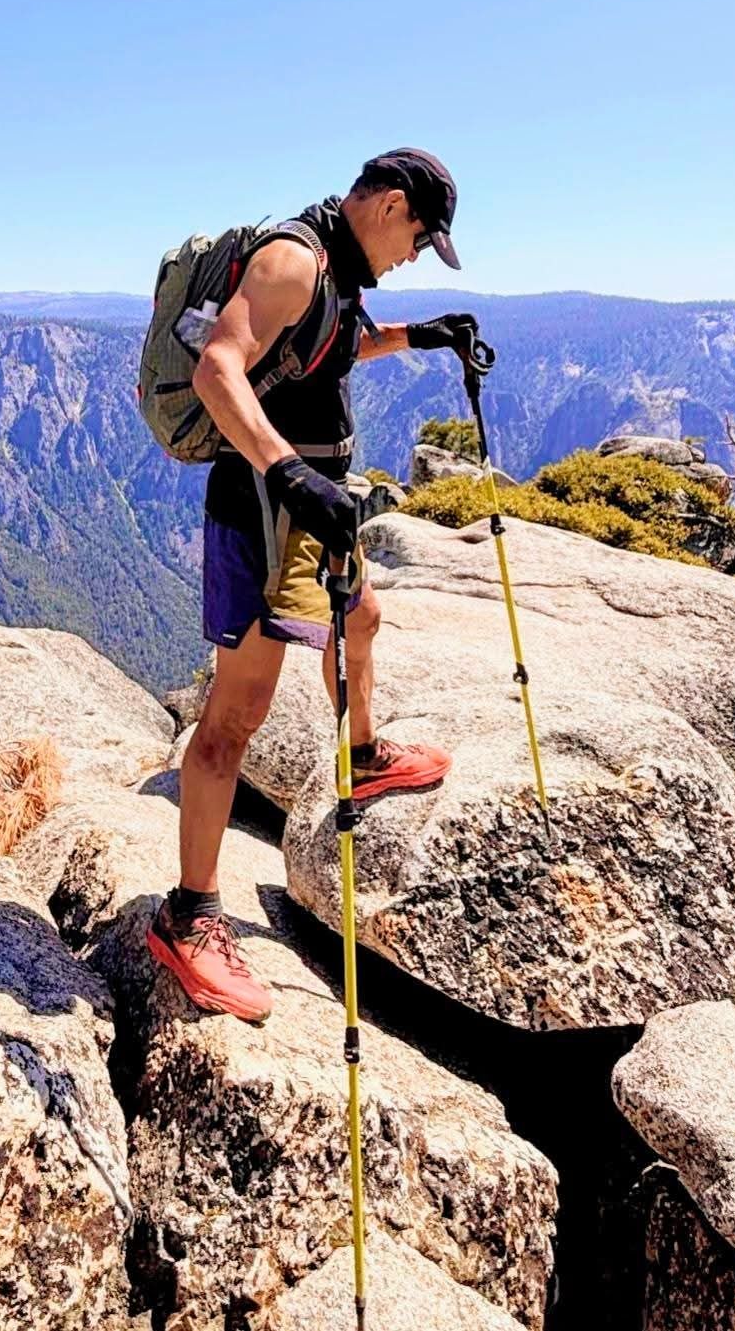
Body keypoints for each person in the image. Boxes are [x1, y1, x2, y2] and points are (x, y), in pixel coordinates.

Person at [146, 148, 479, 1022]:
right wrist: (289, 472)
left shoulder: (335, 266)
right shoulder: (294, 257)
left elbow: (323, 352)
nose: (414, 255)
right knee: (233, 719)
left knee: (359, 619)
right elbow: (222, 364)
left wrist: (422, 335)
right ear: (392, 205)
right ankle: (189, 914)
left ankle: (362, 757)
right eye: (420, 238)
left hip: (312, 508)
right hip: (267, 511)